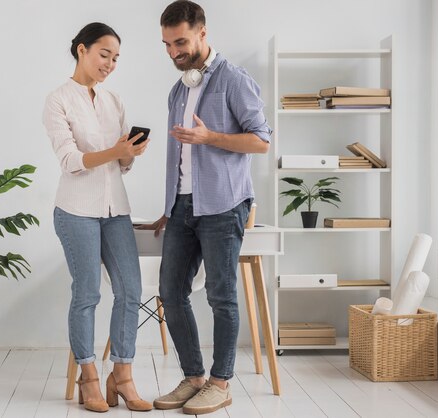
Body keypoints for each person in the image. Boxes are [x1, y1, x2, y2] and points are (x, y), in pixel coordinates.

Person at [145, 1, 272, 415]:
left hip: (223, 205)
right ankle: (194, 377)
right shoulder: (178, 89)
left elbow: (261, 141)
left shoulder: (234, 80)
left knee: (221, 295)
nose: (173, 52)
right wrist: (169, 205)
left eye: (180, 41)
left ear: (202, 32)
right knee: (170, 292)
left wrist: (211, 137)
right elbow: (176, 158)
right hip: (182, 207)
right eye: (166, 44)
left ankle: (220, 382)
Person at [42, 22, 152, 413]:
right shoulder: (58, 100)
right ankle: (88, 376)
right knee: (88, 293)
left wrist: (129, 153)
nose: (110, 63)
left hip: (115, 210)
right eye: (104, 54)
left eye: (116, 58)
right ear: (82, 50)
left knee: (131, 292)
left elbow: (120, 167)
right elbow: (72, 162)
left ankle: (121, 376)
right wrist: (115, 150)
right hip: (75, 212)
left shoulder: (113, 100)